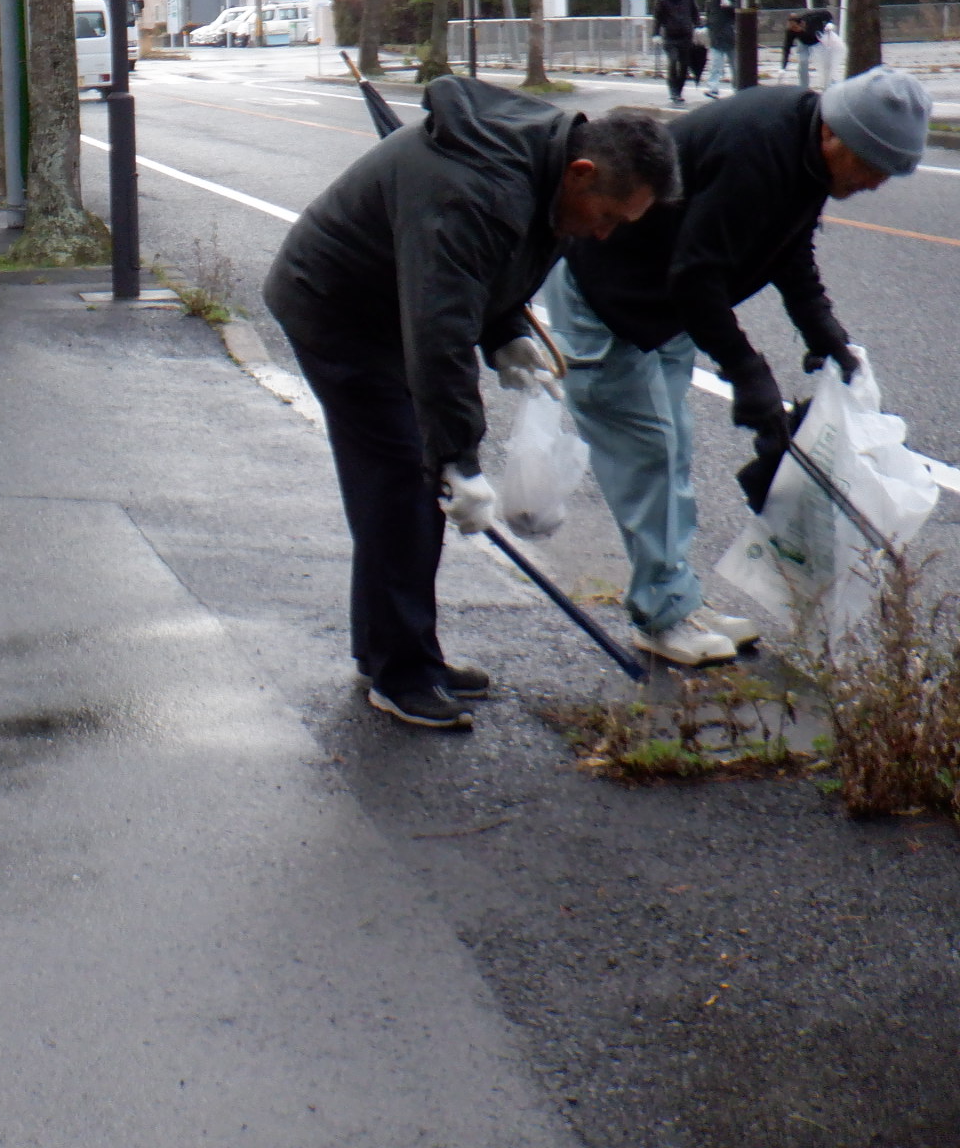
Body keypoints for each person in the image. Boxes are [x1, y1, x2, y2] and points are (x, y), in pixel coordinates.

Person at [264, 78, 681, 729]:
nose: (602, 235)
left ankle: (400, 652)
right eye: (606, 217)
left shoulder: (546, 169)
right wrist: (459, 459)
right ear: (582, 171)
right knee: (404, 481)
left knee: (409, 478)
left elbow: (484, 275)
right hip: (338, 307)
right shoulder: (476, 192)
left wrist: (509, 331)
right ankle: (400, 673)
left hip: (394, 306)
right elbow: (437, 333)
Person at [546, 64, 931, 666]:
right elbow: (697, 273)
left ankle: (675, 598)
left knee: (671, 452)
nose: (874, 183)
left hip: (665, 306)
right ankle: (662, 615)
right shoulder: (758, 150)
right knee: (651, 457)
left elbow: (788, 244)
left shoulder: (806, 153)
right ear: (835, 136)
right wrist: (747, 372)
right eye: (872, 166)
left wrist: (820, 326)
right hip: (612, 297)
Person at [651, 0, 703, 106]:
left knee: (684, 65)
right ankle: (673, 92)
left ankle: (679, 91)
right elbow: (657, 17)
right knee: (673, 62)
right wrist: (656, 34)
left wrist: (698, 26)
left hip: (686, 35)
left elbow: (694, 12)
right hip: (670, 36)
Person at [781, 9, 842, 89]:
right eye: (792, 28)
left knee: (825, 64)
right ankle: (803, 88)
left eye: (796, 27)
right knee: (803, 62)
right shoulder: (791, 31)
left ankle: (831, 85)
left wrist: (830, 22)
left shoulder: (811, 18)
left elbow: (826, 13)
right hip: (804, 44)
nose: (795, 30)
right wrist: (783, 67)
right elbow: (787, 47)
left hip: (819, 41)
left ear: (801, 24)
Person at [701, 0, 736, 98]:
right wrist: (706, 26)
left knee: (735, 64)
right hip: (716, 34)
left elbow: (739, 14)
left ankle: (738, 88)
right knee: (716, 63)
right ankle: (713, 88)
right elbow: (709, 13)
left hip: (731, 35)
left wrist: (730, 6)